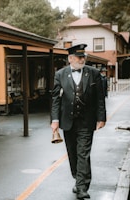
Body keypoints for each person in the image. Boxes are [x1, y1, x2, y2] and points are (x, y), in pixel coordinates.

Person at [50, 44, 106, 199]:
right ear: (70, 58)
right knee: (72, 153)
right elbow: (55, 99)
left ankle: (82, 186)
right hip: (68, 121)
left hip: (86, 121)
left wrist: (101, 117)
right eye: (79, 57)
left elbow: (100, 98)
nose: (82, 60)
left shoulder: (93, 73)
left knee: (83, 153)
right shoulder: (60, 74)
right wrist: (54, 120)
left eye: (84, 57)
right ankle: (77, 178)